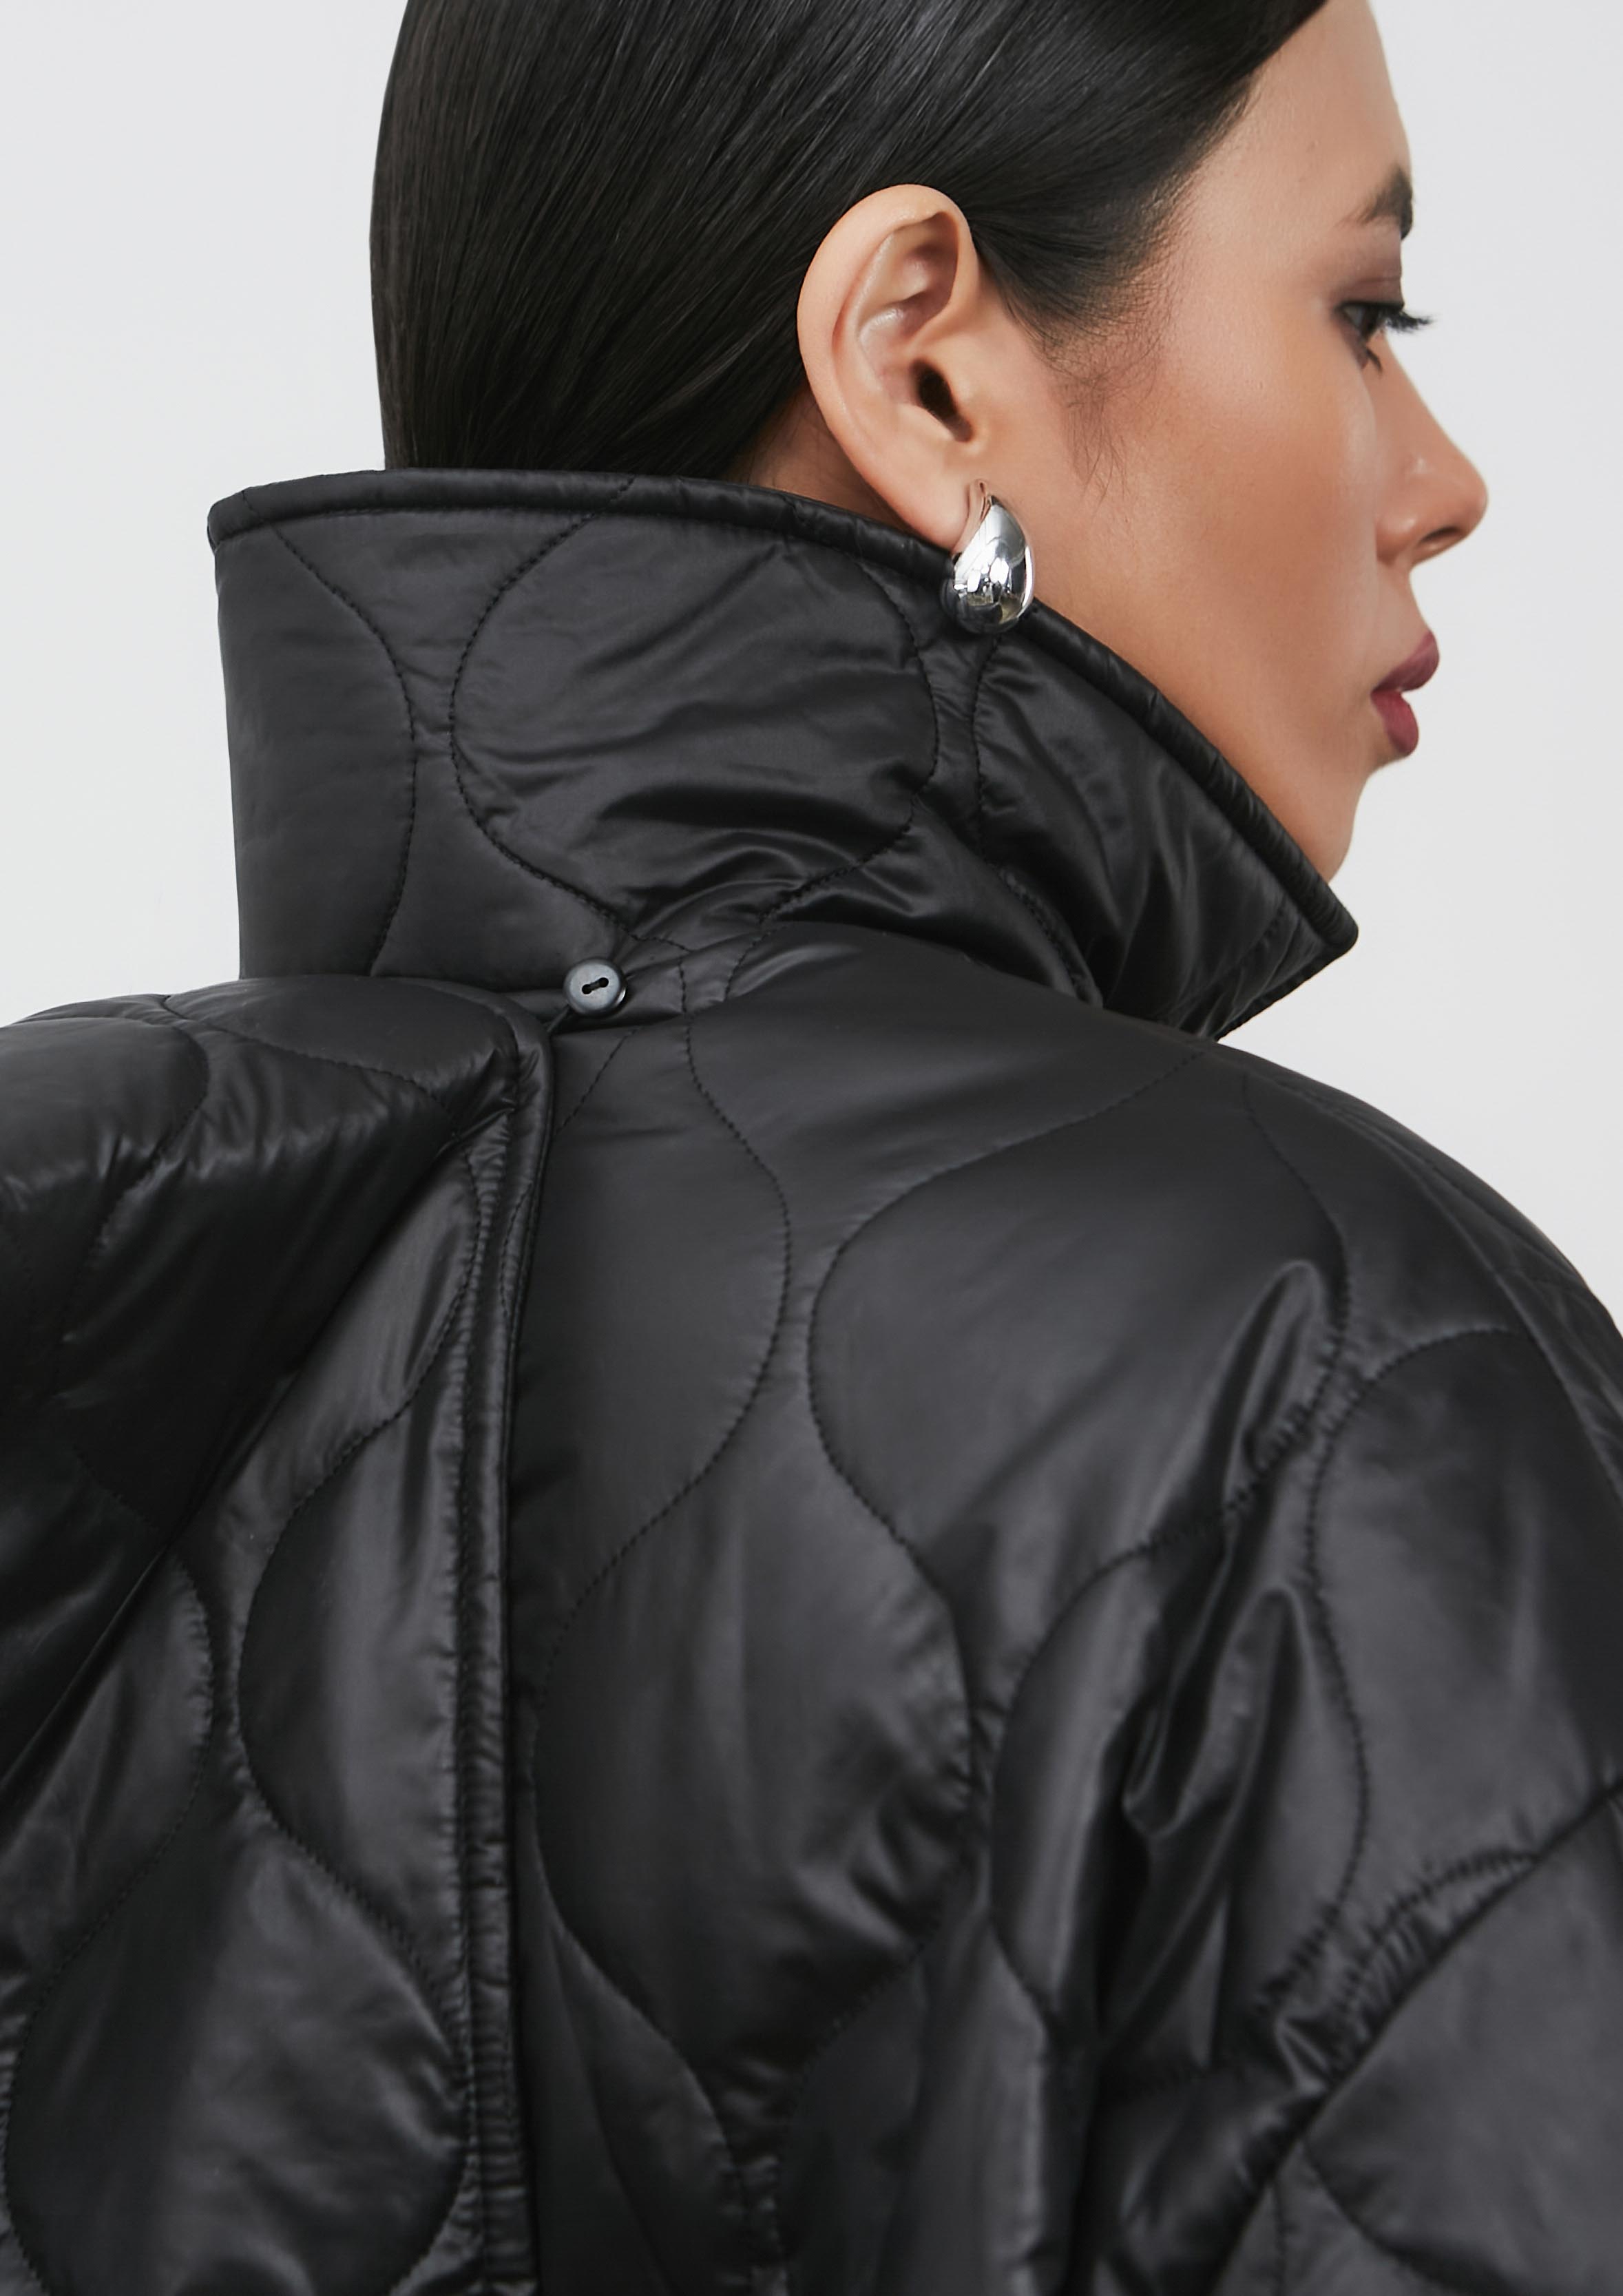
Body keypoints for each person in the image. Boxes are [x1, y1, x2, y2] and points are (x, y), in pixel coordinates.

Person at [1, 0, 1617, 2289]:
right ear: (922, 361)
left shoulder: (98, 1244)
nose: (1445, 478)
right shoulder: (1333, 1358)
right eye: (1366, 312)